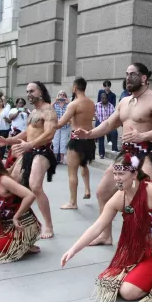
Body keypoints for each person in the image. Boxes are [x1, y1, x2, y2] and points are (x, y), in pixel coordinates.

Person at [61, 153, 152, 302]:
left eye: (121, 174)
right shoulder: (119, 197)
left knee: (127, 292)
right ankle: (138, 273)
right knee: (108, 280)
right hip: (135, 251)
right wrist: (73, 250)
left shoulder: (151, 190)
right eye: (115, 173)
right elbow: (98, 226)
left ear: (135, 174)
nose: (117, 178)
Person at [73, 63, 152, 245]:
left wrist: (143, 135)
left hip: (147, 153)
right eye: (126, 74)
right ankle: (105, 236)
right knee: (103, 192)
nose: (128, 77)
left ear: (143, 78)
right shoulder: (125, 101)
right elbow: (109, 124)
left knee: (150, 200)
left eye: (132, 74)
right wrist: (89, 134)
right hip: (126, 154)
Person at [0, 81, 58, 239]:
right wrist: (8, 141)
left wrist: (30, 145)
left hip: (42, 152)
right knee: (13, 183)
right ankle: (19, 219)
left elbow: (49, 134)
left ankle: (48, 225)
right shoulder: (34, 112)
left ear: (40, 92)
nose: (28, 94)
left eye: (32, 91)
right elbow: (28, 133)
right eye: (27, 91)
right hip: (29, 151)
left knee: (35, 186)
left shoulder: (48, 110)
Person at [0, 154, 41, 263]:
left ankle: (21, 248)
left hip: (19, 228)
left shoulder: (4, 181)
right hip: (3, 228)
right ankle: (19, 248)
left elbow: (29, 195)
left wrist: (16, 216)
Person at [56, 77, 96, 209]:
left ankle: (72, 202)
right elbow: (82, 119)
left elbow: (61, 123)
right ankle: (87, 190)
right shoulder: (91, 103)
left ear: (74, 88)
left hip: (76, 138)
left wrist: (48, 122)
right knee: (84, 165)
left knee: (72, 171)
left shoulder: (73, 104)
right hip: (89, 138)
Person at [5, 98, 30, 170]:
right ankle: (12, 163)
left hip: (24, 132)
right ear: (16, 104)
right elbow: (11, 118)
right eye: (19, 103)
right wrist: (18, 111)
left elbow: (31, 119)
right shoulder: (13, 110)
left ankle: (21, 163)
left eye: (22, 103)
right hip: (15, 132)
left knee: (22, 148)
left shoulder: (27, 110)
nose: (21, 104)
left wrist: (28, 113)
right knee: (14, 148)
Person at [95, 93, 118, 159]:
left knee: (114, 133)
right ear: (101, 99)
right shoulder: (97, 105)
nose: (104, 99)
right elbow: (93, 112)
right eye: (102, 98)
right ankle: (101, 154)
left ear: (107, 98)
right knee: (101, 138)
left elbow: (114, 115)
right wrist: (96, 118)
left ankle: (114, 149)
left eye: (105, 98)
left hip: (109, 123)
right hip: (100, 123)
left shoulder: (111, 106)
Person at [52, 91, 70, 164]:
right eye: (60, 94)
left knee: (63, 142)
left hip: (65, 126)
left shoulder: (68, 105)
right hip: (56, 126)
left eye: (63, 95)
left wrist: (68, 102)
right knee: (55, 141)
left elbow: (72, 111)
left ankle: (62, 158)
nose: (62, 96)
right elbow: (48, 108)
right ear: (58, 95)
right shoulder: (55, 104)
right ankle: (55, 158)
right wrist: (55, 101)